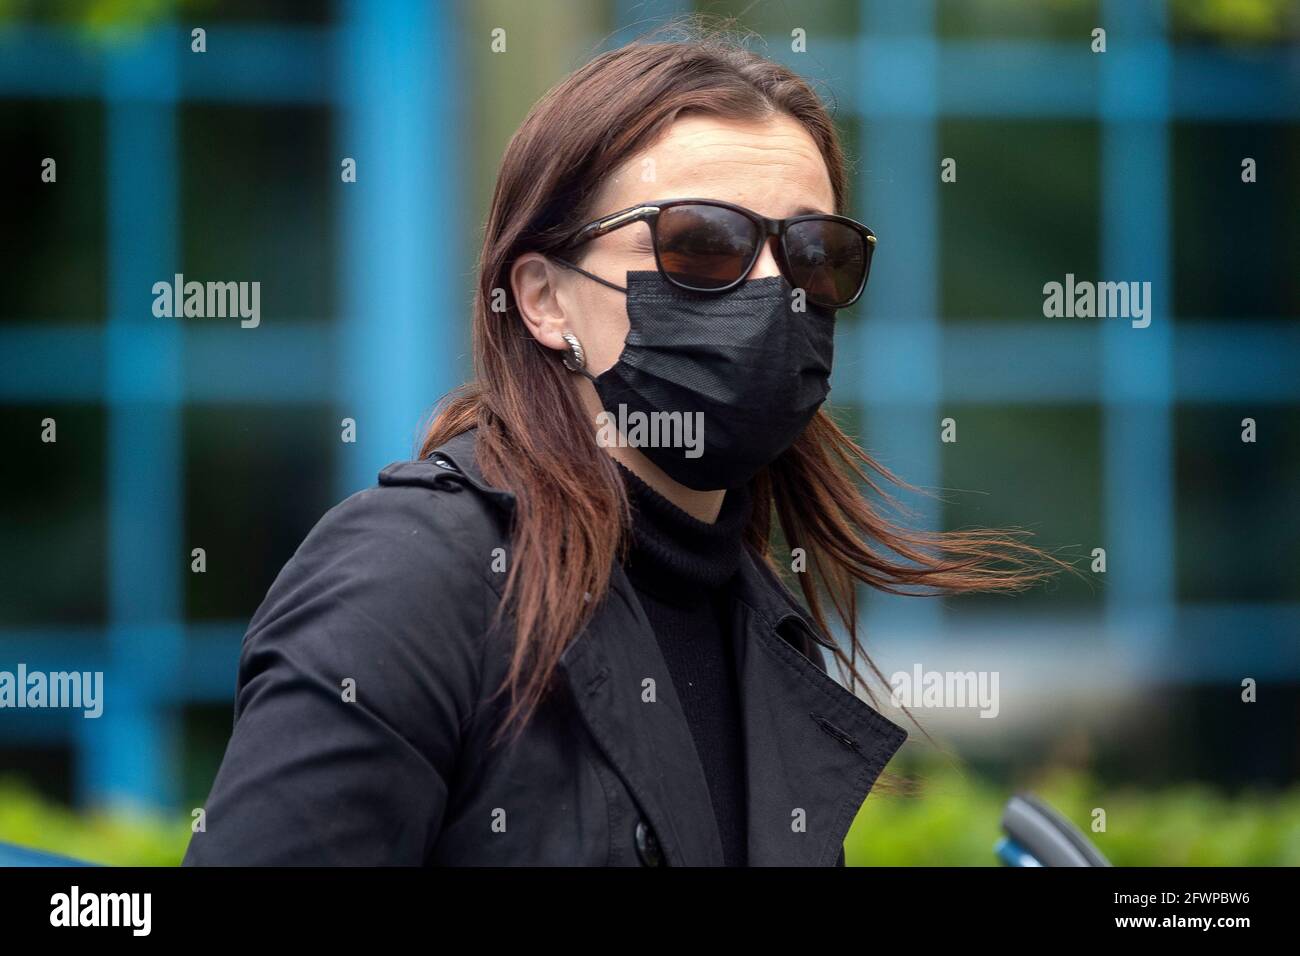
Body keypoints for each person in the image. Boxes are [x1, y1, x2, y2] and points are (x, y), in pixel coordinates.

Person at [183, 30, 1062, 867]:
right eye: (702, 243)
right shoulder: (411, 577)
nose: (773, 289)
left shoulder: (757, 615)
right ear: (544, 300)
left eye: (813, 252)